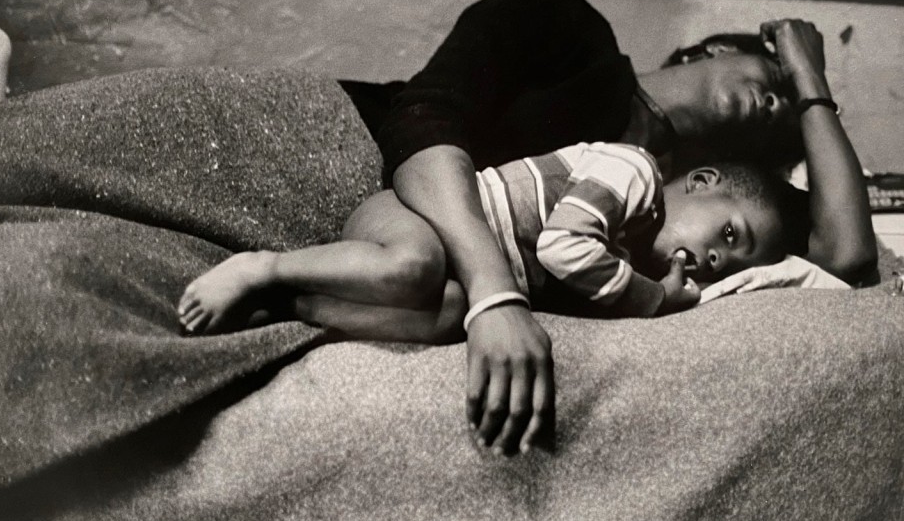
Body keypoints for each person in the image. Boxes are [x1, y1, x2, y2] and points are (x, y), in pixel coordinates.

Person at [334, 0, 876, 457]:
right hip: (342, 142)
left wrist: (811, 81)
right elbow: (423, 126)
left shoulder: (666, 228)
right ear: (709, 52)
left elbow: (845, 254)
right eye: (774, 76)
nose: (779, 103)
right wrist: (495, 297)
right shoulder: (568, 27)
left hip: (401, 259)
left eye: (787, 112)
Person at [178, 138, 808, 354]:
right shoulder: (634, 174)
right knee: (416, 265)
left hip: (459, 274)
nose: (715, 258)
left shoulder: (626, 255)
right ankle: (264, 267)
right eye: (728, 233)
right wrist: (650, 299)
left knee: (450, 312)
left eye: (732, 261)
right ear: (700, 183)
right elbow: (564, 244)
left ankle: (293, 308)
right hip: (414, 215)